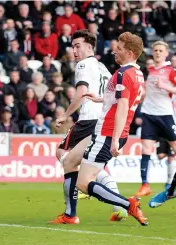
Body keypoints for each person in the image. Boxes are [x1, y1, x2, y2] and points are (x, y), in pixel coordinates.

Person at [50, 30, 126, 225]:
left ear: (89, 47)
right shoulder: (102, 68)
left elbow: (82, 92)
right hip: (102, 121)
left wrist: (66, 115)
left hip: (88, 120)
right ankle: (118, 206)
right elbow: (115, 97)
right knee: (86, 164)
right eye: (72, 46)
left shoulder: (83, 65)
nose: (74, 51)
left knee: (62, 154)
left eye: (78, 46)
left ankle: (71, 212)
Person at [77, 32, 147, 226]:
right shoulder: (137, 73)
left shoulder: (124, 74)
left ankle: (127, 204)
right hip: (114, 132)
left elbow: (123, 106)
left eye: (120, 49)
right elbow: (125, 100)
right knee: (84, 173)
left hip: (107, 133)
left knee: (83, 183)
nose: (114, 50)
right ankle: (124, 205)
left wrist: (115, 139)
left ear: (131, 53)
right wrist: (101, 98)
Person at [136, 41, 176, 197]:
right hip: (148, 114)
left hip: (165, 115)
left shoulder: (170, 71)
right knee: (146, 149)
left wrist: (166, 86)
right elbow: (146, 93)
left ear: (166, 53)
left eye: (161, 50)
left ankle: (171, 186)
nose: (158, 52)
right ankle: (145, 184)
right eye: (155, 50)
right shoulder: (151, 70)